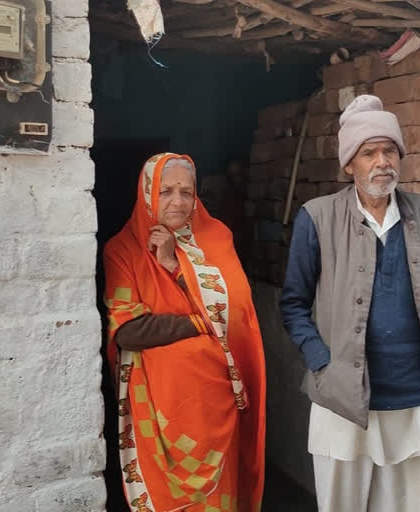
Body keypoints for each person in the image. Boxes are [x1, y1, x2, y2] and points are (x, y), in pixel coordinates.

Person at [280, 95, 420, 511]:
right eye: (369, 153)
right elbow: (293, 304)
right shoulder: (318, 217)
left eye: (390, 151)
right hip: (341, 396)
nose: (383, 162)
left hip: (410, 392)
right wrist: (323, 362)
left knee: (401, 506)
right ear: (349, 165)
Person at [103, 153, 266, 512]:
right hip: (160, 412)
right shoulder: (123, 251)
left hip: (216, 407)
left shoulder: (217, 238)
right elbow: (128, 330)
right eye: (165, 192)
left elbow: (233, 315)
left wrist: (174, 264)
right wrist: (196, 324)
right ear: (147, 194)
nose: (177, 202)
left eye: (186, 192)